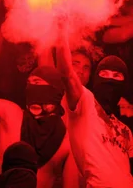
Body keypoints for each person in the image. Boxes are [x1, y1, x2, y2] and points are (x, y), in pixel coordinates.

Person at [0, 32, 74, 187]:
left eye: (37, 82)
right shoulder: (11, 114)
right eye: (29, 83)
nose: (31, 87)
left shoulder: (66, 139)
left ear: (54, 92)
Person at [55, 15, 133, 187]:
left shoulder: (125, 130)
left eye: (116, 76)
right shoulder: (85, 102)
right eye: (104, 74)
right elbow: (67, 73)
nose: (110, 80)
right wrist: (62, 30)